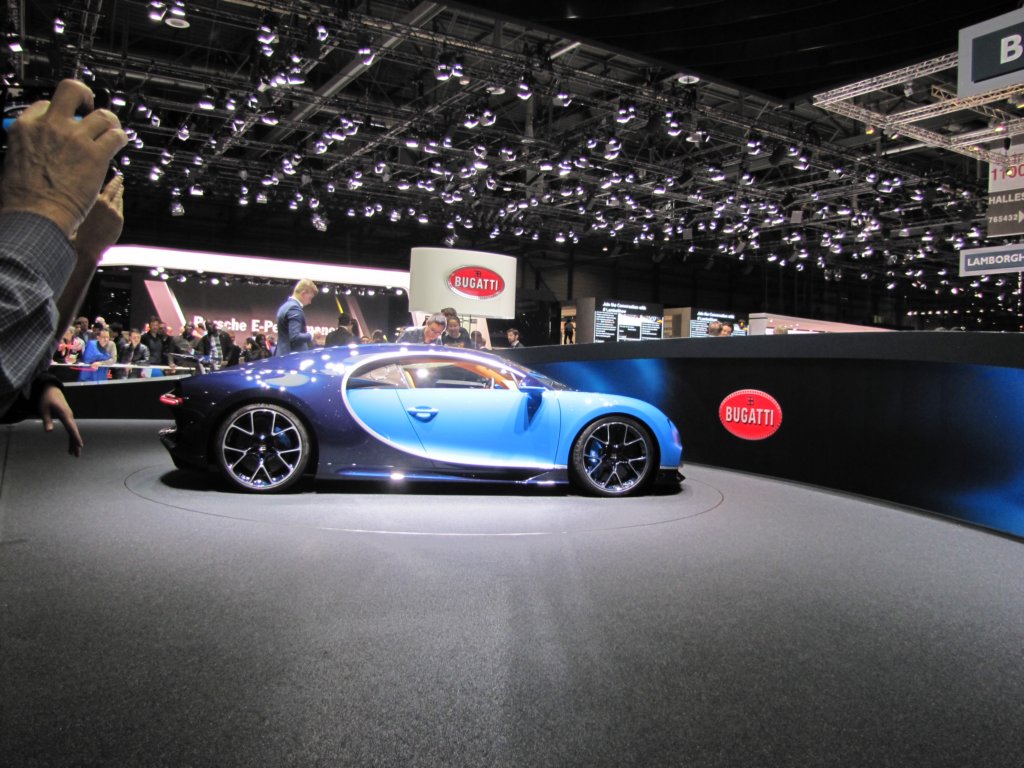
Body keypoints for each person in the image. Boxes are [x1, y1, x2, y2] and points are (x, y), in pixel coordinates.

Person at [274, 279, 317, 356]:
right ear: (303, 293)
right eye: (310, 298)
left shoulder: (285, 306)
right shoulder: (294, 308)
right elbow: (295, 337)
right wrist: (312, 335)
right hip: (292, 357)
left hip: (283, 354)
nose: (310, 302)